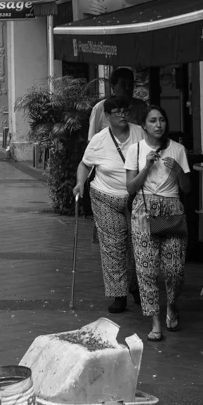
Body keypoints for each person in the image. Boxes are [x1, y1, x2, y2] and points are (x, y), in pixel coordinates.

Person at [127, 105, 192, 341]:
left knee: (175, 269)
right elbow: (130, 188)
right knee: (146, 270)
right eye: (153, 120)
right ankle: (155, 322)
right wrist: (146, 166)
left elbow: (188, 188)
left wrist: (179, 171)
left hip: (172, 210)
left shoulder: (178, 149)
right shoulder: (135, 150)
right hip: (144, 211)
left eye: (162, 120)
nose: (158, 125)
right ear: (144, 125)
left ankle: (172, 304)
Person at [75, 95, 143, 313]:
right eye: (117, 112)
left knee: (139, 244)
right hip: (105, 198)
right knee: (114, 247)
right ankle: (118, 294)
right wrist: (80, 183)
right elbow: (84, 165)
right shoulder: (99, 139)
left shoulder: (139, 133)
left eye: (125, 111)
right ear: (107, 116)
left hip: (135, 198)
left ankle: (135, 285)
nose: (123, 115)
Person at [88, 67, 148, 138]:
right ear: (113, 86)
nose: (127, 88)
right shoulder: (100, 108)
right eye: (123, 85)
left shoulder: (141, 107)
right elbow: (92, 138)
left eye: (130, 85)